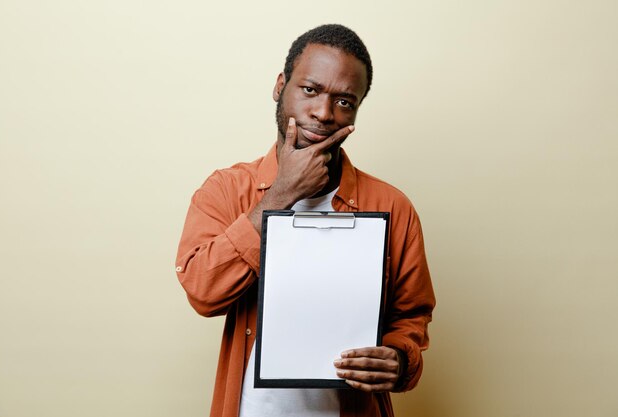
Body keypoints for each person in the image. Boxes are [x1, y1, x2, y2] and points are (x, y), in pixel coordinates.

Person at [175, 24, 435, 417]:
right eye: (310, 90)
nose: (323, 113)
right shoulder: (227, 189)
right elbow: (202, 292)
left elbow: (411, 319)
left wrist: (399, 361)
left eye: (345, 101)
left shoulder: (392, 206)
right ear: (281, 86)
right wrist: (281, 196)